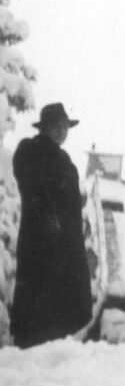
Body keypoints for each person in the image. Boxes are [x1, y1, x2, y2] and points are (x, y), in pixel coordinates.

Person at [10, 103, 92, 348]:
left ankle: (57, 346)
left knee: (64, 296)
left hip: (66, 240)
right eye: (56, 126)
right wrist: (47, 215)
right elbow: (31, 184)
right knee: (41, 292)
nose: (61, 131)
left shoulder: (64, 157)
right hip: (42, 237)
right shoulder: (30, 149)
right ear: (43, 127)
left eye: (65, 126)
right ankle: (34, 345)